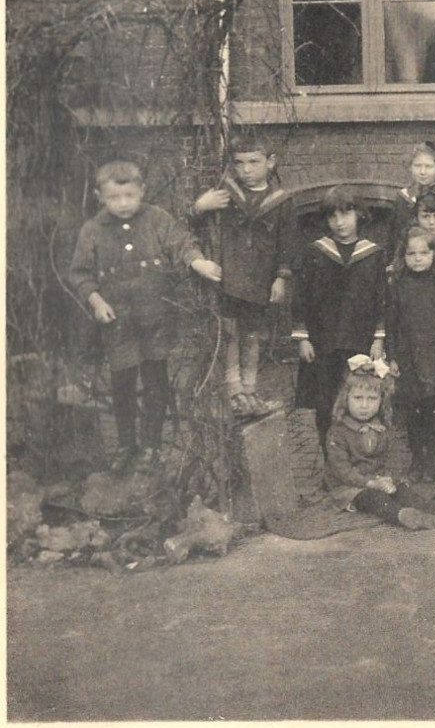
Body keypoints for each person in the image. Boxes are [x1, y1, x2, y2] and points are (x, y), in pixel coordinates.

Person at [70, 159, 221, 472]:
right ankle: (126, 445)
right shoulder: (93, 230)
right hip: (118, 323)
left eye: (129, 196)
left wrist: (197, 262)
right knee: (122, 383)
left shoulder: (157, 219)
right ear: (101, 196)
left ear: (142, 191)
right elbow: (81, 274)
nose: (123, 204)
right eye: (114, 198)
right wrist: (97, 301)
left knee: (156, 382)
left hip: (154, 318)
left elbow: (181, 242)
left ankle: (151, 445)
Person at [191, 130, 297, 418]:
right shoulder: (225, 195)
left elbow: (286, 243)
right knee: (229, 332)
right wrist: (200, 207)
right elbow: (194, 228)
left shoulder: (281, 201)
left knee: (253, 334)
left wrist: (281, 277)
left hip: (260, 279)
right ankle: (233, 389)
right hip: (229, 277)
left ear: (270, 162)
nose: (246, 170)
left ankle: (250, 390)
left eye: (253, 162)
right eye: (239, 163)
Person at [291, 185, 386, 453]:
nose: (340, 222)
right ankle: (330, 456)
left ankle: (361, 456)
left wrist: (378, 339)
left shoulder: (374, 254)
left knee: (360, 398)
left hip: (359, 339)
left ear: (359, 215)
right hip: (323, 342)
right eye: (333, 216)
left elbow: (381, 299)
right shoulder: (316, 253)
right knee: (326, 403)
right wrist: (303, 337)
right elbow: (301, 297)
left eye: (346, 214)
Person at [323, 356, 435, 530]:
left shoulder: (382, 427)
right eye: (358, 398)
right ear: (345, 399)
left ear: (381, 401)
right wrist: (370, 483)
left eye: (371, 399)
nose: (364, 405)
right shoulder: (338, 432)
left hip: (379, 478)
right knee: (375, 499)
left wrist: (389, 478)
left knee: (403, 491)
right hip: (351, 486)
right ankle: (402, 516)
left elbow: (394, 456)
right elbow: (342, 471)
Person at [385, 227, 435, 481]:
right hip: (409, 355)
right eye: (411, 253)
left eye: (424, 253)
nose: (417, 258)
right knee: (414, 408)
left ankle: (433, 459)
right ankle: (417, 458)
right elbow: (391, 322)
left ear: (434, 255)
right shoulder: (398, 284)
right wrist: (392, 355)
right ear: (403, 256)